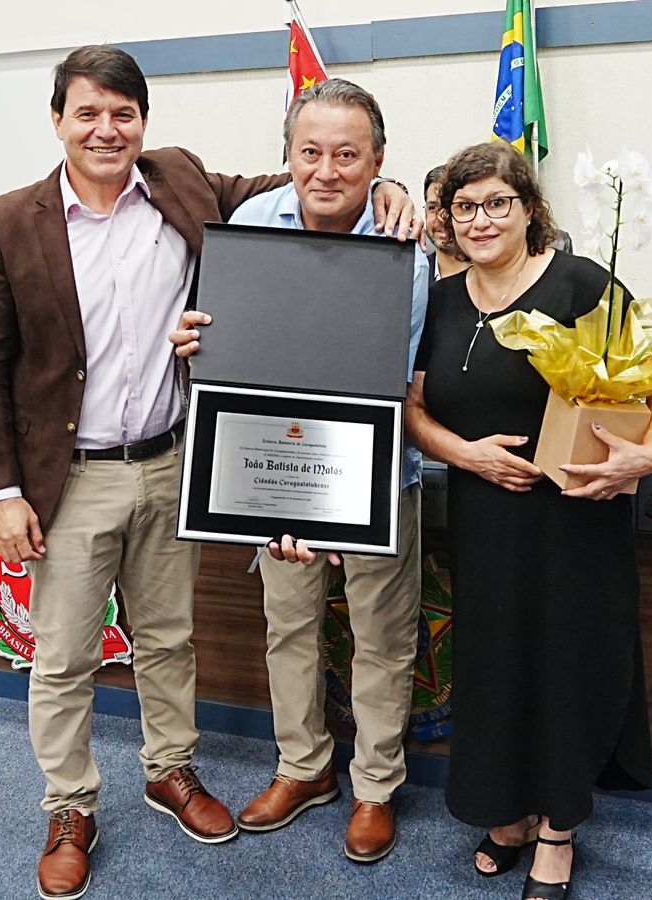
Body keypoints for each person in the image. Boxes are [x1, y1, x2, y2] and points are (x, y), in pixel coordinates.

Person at [0, 46, 416, 900]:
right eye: (88, 113)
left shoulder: (180, 183)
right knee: (63, 658)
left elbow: (308, 183)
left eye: (123, 113)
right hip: (72, 477)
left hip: (172, 463)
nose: (107, 130)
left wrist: (392, 192)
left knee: (169, 639)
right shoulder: (7, 220)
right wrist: (3, 491)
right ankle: (69, 808)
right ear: (57, 118)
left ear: (143, 122)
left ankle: (170, 771)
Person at [405, 142, 652, 900]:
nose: (481, 219)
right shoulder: (439, 300)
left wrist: (648, 454)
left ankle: (558, 831)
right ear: (448, 220)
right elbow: (414, 410)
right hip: (484, 516)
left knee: (563, 665)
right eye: (465, 207)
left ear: (530, 209)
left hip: (574, 517)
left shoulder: (580, 283)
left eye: (498, 202)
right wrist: (465, 455)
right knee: (496, 665)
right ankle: (505, 811)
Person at [170, 79, 429, 865]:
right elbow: (238, 366)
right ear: (287, 156)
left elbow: (391, 379)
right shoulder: (250, 224)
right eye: (309, 152)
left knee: (383, 638)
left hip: (378, 479)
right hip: (269, 469)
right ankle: (304, 769)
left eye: (348, 155)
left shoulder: (404, 245)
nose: (327, 170)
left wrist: (335, 505)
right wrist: (196, 348)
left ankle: (376, 788)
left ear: (377, 161)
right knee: (288, 626)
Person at [423, 164, 470, 280]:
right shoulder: (414, 275)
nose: (442, 218)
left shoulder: (493, 276)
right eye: (433, 208)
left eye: (449, 207)